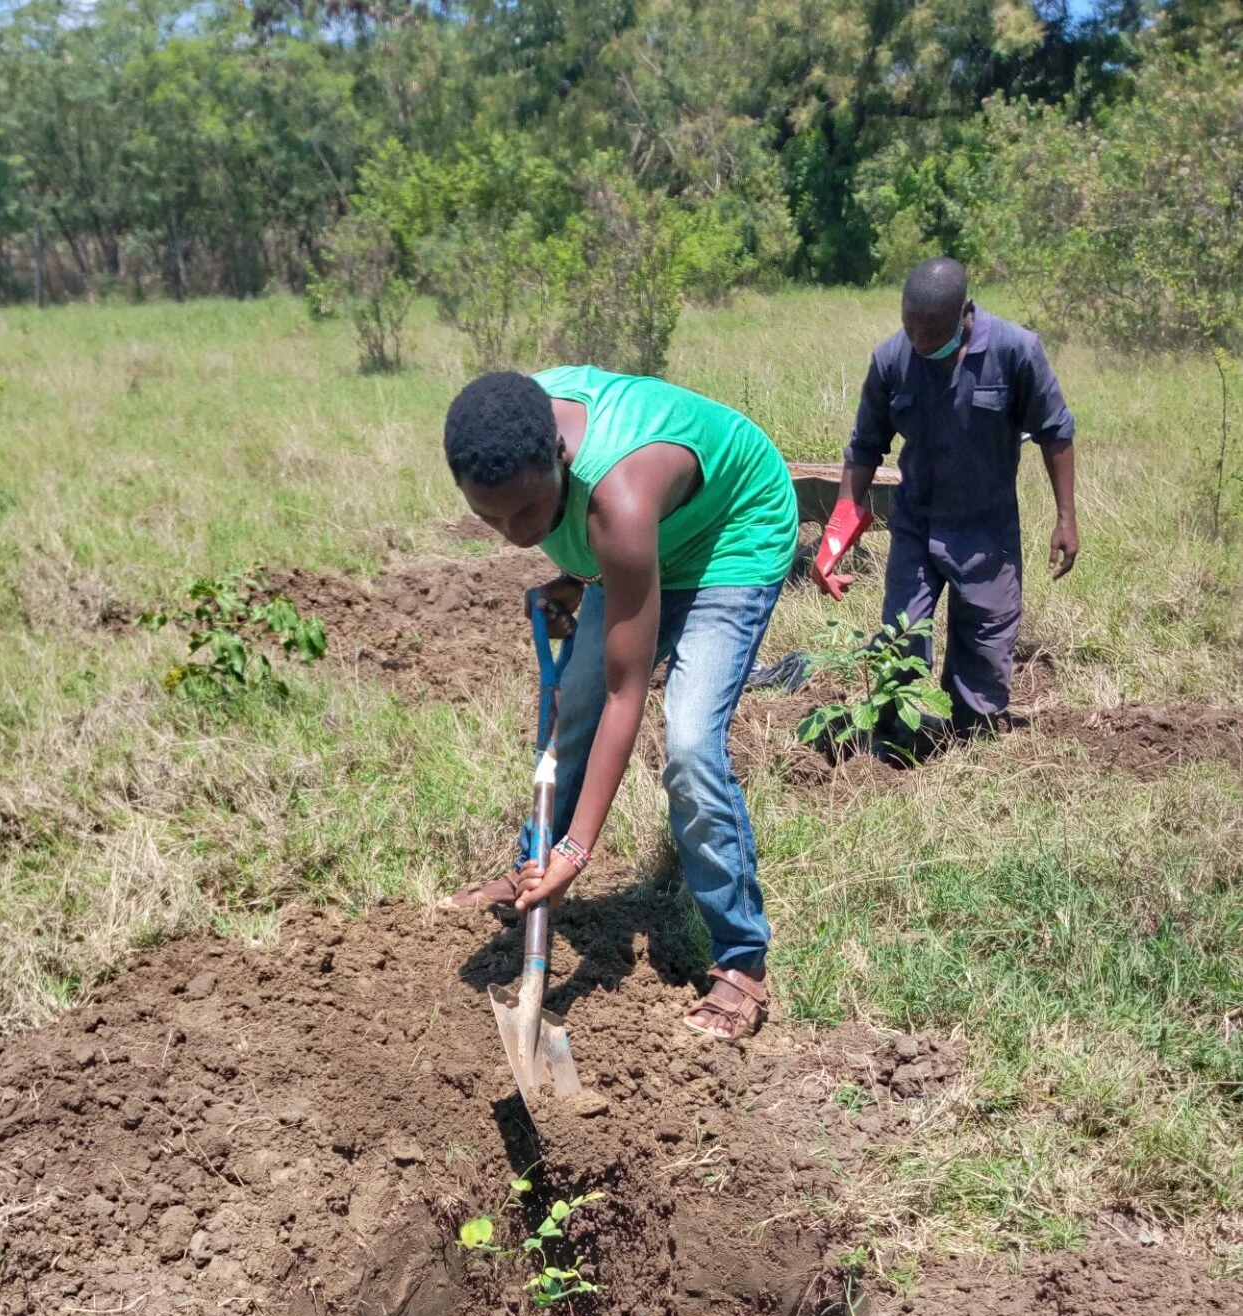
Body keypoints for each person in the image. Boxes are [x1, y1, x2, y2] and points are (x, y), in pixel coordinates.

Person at [441, 366, 797, 1042]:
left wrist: (579, 852)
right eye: (491, 517)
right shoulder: (507, 427)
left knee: (691, 746)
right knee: (569, 706)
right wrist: (579, 575)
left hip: (731, 534)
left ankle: (743, 958)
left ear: (560, 457)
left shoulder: (619, 497)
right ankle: (530, 869)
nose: (516, 535)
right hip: (634, 546)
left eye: (527, 513)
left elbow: (624, 691)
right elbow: (592, 687)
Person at [814, 257, 1078, 734]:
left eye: (932, 333)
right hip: (917, 523)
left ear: (965, 312)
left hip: (986, 530)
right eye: (910, 329)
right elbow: (864, 448)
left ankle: (971, 743)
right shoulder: (892, 359)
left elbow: (1056, 431)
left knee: (984, 646)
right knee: (901, 637)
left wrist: (1066, 516)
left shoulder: (1016, 352)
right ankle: (896, 740)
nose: (920, 343)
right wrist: (836, 535)